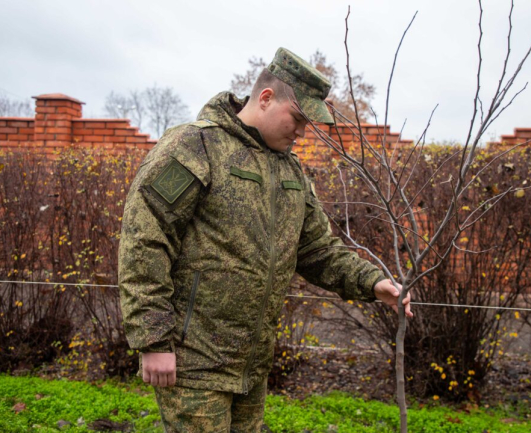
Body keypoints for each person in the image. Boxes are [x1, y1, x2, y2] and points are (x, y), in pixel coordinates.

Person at [118, 47, 412, 433]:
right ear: (266, 98)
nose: (302, 132)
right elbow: (145, 239)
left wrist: (373, 283)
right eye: (298, 118)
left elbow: (318, 250)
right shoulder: (195, 147)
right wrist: (154, 340)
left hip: (252, 367)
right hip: (194, 362)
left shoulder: (291, 171)